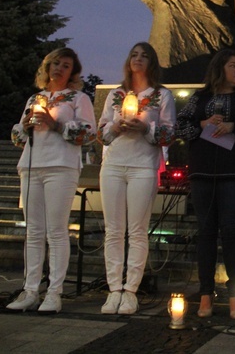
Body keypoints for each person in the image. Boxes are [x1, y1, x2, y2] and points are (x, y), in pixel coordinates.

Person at [174, 49, 235, 319]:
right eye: (232, 65)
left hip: (233, 173)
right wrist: (203, 123)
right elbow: (181, 126)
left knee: (230, 230)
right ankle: (206, 292)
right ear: (219, 68)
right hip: (202, 171)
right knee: (205, 231)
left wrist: (234, 128)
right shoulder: (200, 97)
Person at [7, 48, 96, 314]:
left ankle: (54, 292)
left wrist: (55, 124)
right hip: (32, 165)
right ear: (47, 67)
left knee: (56, 230)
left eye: (65, 65)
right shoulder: (36, 97)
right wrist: (24, 125)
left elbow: (88, 134)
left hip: (61, 166)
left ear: (73, 72)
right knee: (33, 231)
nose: (58, 68)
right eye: (55, 63)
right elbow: (18, 138)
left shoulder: (78, 98)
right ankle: (30, 289)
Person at [97, 42, 176, 315]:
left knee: (137, 230)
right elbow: (101, 132)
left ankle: (131, 291)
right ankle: (113, 290)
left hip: (143, 166)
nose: (138, 59)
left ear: (152, 62)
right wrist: (115, 127)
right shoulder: (116, 95)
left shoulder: (162, 96)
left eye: (144, 56)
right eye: (134, 54)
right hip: (114, 165)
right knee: (114, 231)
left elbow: (168, 134)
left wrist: (145, 128)